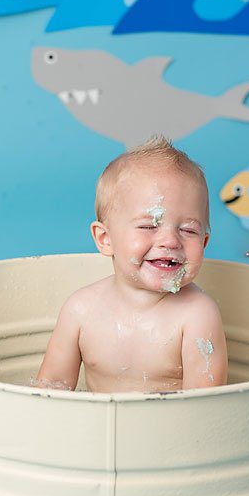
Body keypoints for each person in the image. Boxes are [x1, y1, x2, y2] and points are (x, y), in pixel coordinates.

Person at [35, 135, 228, 392]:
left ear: (204, 243)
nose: (170, 241)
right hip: (98, 430)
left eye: (188, 230)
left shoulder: (198, 315)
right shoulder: (80, 310)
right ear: (105, 239)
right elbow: (49, 391)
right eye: (149, 226)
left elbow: (205, 408)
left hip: (172, 431)